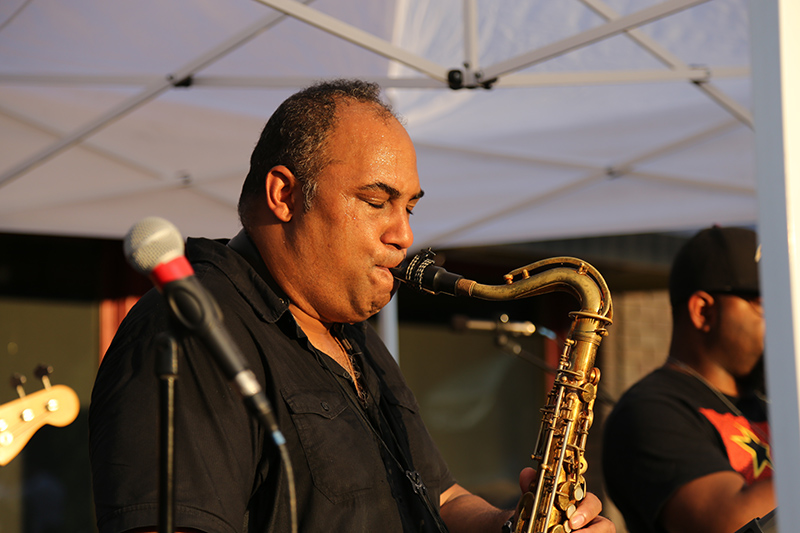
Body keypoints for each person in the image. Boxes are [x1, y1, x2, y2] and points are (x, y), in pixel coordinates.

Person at [89, 79, 614, 533]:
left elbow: (440, 497)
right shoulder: (192, 329)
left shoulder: (353, 335)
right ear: (284, 194)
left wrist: (510, 523)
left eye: (409, 206)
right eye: (376, 201)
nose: (404, 234)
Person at [602, 226, 773, 533]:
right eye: (764, 304)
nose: (781, 319)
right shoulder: (649, 411)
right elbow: (730, 522)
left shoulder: (767, 402)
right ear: (703, 311)